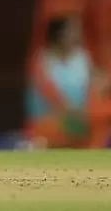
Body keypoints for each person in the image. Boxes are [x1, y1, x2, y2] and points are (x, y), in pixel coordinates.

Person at [24, 15, 111, 148]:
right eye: (73, 30)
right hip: (50, 120)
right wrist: (71, 111)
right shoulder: (42, 60)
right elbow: (49, 92)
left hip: (79, 120)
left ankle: (92, 153)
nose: (78, 34)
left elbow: (100, 81)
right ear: (59, 35)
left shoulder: (82, 57)